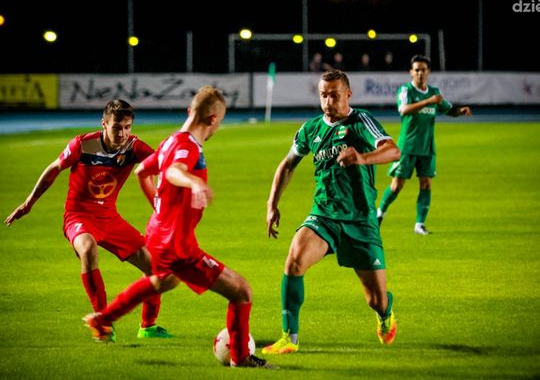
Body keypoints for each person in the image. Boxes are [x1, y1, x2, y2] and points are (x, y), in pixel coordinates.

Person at [82, 86, 273, 369]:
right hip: (177, 244)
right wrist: (195, 183)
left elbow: (142, 172)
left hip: (158, 233)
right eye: (219, 121)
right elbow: (173, 171)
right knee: (241, 291)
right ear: (213, 120)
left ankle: (102, 318)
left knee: (164, 281)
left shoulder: (170, 141)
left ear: (189, 111)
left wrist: (160, 208)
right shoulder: (188, 147)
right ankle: (241, 357)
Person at [4, 100, 172, 341]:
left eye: (127, 127)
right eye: (116, 127)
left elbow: (162, 165)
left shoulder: (133, 147)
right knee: (88, 248)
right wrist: (29, 203)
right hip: (78, 216)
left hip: (110, 218)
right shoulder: (83, 144)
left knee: (156, 267)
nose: (122, 133)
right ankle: (103, 322)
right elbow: (54, 169)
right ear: (104, 123)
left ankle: (148, 327)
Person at [262, 69, 400, 355]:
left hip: (360, 220)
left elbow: (393, 151)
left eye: (334, 95)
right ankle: (290, 337)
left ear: (348, 94)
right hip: (323, 215)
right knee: (294, 261)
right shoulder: (311, 129)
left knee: (375, 300)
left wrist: (362, 158)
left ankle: (385, 312)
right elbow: (288, 164)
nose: (328, 101)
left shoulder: (361, 121)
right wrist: (272, 204)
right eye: (323, 95)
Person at [376, 55, 473, 235]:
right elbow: (404, 110)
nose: (420, 73)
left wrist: (460, 111)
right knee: (397, 185)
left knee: (426, 184)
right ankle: (379, 213)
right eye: (417, 70)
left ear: (428, 72)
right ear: (411, 72)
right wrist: (428, 102)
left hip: (427, 147)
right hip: (407, 146)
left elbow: (448, 109)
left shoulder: (434, 92)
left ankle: (419, 225)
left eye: (423, 70)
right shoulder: (406, 90)